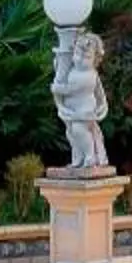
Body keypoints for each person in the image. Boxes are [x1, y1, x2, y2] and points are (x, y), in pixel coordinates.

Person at [54, 26, 111, 174]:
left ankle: (90, 156)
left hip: (84, 110)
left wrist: (57, 89)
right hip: (72, 110)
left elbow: (72, 89)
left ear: (95, 60)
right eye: (77, 54)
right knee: (71, 133)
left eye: (85, 57)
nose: (79, 59)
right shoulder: (74, 70)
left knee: (80, 130)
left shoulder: (88, 75)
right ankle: (78, 158)